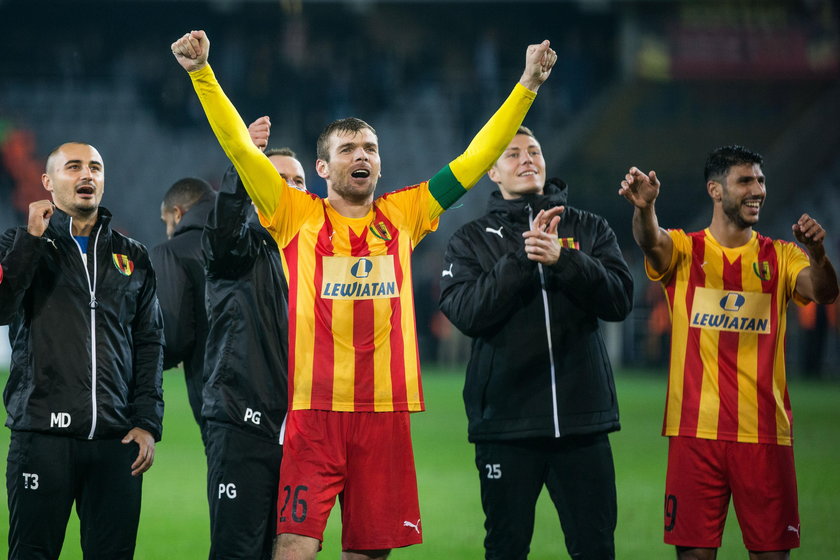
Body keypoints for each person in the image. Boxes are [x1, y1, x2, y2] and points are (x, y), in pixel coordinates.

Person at [172, 29, 555, 560]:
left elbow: (475, 157)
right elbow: (239, 146)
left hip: (384, 414)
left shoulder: (407, 213)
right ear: (324, 168)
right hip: (313, 415)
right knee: (292, 547)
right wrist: (202, 74)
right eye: (348, 148)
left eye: (370, 148)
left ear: (379, 164)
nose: (362, 155)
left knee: (370, 552)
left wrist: (527, 85)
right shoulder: (293, 214)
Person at [618, 145, 839, 560]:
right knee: (694, 556)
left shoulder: (781, 256)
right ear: (715, 191)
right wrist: (645, 209)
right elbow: (651, 242)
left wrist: (820, 255)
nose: (758, 189)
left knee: (771, 555)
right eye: (745, 181)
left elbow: (825, 292)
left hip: (765, 434)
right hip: (694, 433)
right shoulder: (686, 251)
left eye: (761, 180)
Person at [438, 125, 632, 560]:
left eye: (534, 151)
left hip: (583, 423)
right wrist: (521, 258)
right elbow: (467, 312)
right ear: (492, 171)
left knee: (596, 549)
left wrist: (565, 258)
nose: (527, 159)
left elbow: (620, 299)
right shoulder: (469, 240)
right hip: (506, 425)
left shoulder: (588, 227)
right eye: (512, 154)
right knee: (506, 549)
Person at [0, 142, 164, 559]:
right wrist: (31, 239)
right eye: (73, 167)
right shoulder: (20, 244)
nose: (86, 175)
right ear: (47, 182)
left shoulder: (133, 256)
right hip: (41, 437)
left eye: (95, 167)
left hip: (116, 443)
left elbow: (149, 344)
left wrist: (146, 420)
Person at [202, 115, 302, 560]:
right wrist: (243, 164)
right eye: (278, 177)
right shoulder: (240, 251)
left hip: (304, 434)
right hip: (244, 425)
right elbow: (224, 229)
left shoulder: (318, 258)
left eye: (299, 181)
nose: (291, 187)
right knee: (238, 552)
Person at [150, 177, 215, 438]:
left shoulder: (172, 251)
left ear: (178, 214)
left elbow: (175, 337)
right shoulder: (251, 236)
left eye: (167, 223)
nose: (168, 232)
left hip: (218, 395)